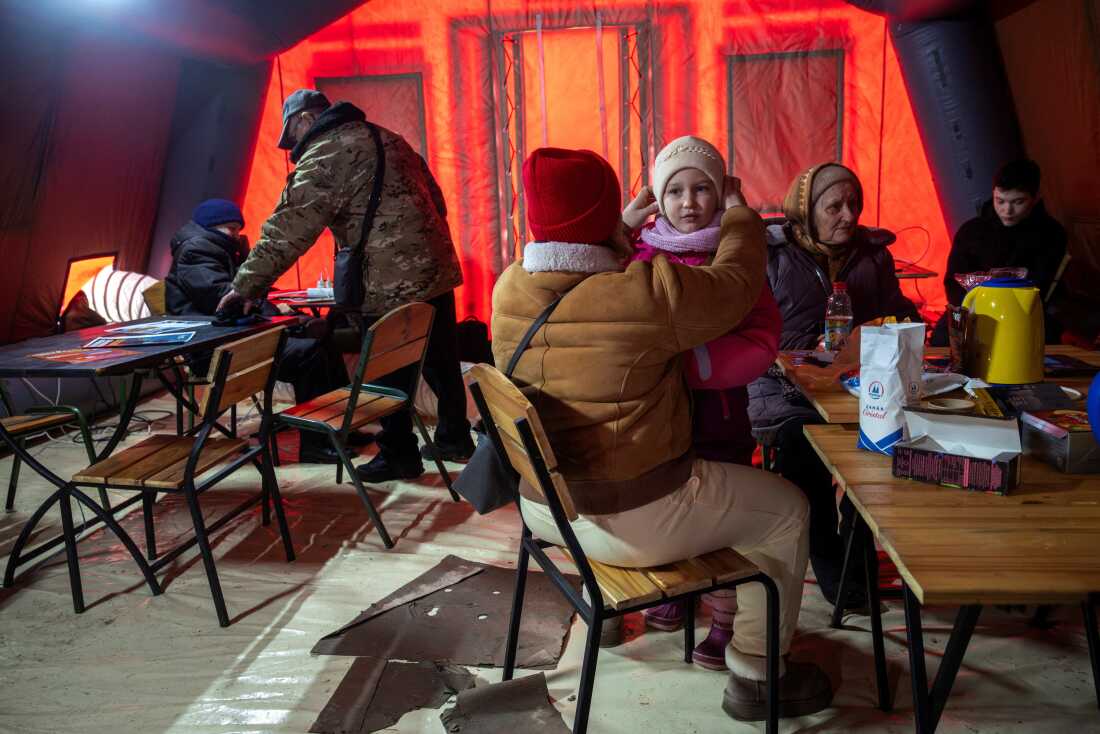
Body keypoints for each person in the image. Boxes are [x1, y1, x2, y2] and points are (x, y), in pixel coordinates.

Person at [493, 147, 830, 721]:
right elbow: (736, 282)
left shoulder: (509, 289)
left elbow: (580, 256)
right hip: (628, 524)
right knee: (788, 511)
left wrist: (615, 226)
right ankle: (755, 671)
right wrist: (739, 213)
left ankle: (704, 617)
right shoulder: (641, 293)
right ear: (611, 214)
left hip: (547, 510)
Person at [216, 89, 474, 483]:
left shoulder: (325, 154)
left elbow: (288, 228)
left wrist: (246, 285)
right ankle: (454, 439)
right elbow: (436, 199)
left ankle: (399, 455)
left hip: (388, 280)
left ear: (304, 118)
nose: (294, 147)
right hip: (435, 268)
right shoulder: (389, 137)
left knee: (386, 371)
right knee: (441, 359)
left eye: (292, 136)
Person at [619, 136, 782, 672]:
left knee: (726, 517)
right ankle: (676, 589)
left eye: (703, 189)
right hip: (661, 416)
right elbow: (597, 280)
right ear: (656, 201)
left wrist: (695, 365)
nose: (689, 202)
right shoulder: (643, 254)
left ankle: (724, 618)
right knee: (671, 496)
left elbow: (759, 334)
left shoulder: (735, 259)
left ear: (722, 196)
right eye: (675, 191)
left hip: (721, 412)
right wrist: (623, 226)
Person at [747, 163, 919, 609]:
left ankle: (856, 557)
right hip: (781, 386)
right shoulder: (771, 254)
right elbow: (752, 330)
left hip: (859, 385)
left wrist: (910, 328)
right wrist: (807, 351)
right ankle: (834, 567)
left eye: (854, 204)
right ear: (805, 210)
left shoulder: (872, 255)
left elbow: (894, 310)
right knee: (803, 450)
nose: (848, 215)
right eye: (835, 206)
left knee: (883, 453)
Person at [165, 198, 352, 463]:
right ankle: (315, 443)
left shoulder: (221, 249)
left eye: (237, 229)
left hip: (236, 339)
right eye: (229, 228)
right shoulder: (196, 252)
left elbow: (246, 293)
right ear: (210, 227)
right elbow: (225, 300)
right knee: (310, 354)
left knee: (324, 342)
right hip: (215, 349)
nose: (235, 234)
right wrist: (273, 307)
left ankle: (337, 429)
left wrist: (280, 312)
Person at [932, 159, 1068, 345]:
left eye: (1018, 202)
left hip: (1023, 311)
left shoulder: (1052, 233)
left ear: (1035, 199)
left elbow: (1043, 284)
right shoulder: (971, 231)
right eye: (1000, 201)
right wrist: (971, 310)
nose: (1007, 210)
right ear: (993, 194)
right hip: (974, 309)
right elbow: (953, 281)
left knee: (1043, 336)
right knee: (942, 337)